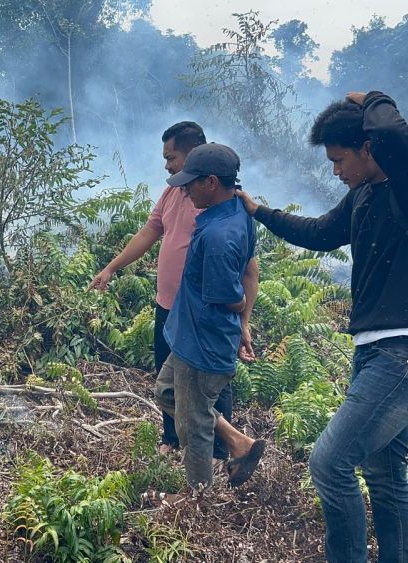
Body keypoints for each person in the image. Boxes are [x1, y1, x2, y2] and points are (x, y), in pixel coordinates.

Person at [235, 92, 408, 562]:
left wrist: (373, 97)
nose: (335, 170)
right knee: (385, 475)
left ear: (367, 148)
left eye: (339, 159)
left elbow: (394, 130)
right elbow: (317, 234)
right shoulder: (362, 197)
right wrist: (261, 212)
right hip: (379, 351)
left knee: (330, 463)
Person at [89, 122, 260, 464]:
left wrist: (244, 319)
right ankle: (175, 436)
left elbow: (248, 270)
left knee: (208, 385)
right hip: (170, 306)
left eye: (172, 157)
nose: (167, 165)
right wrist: (111, 267)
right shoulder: (174, 192)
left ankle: (217, 453)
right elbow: (150, 231)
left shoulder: (219, 206)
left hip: (205, 315)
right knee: (168, 381)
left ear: (195, 156)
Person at [145, 142, 266, 506]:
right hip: (188, 336)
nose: (184, 189)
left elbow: (229, 294)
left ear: (211, 182)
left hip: (202, 345)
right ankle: (238, 442)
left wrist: (240, 310)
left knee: (192, 426)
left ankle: (198, 499)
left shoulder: (218, 236)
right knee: (167, 393)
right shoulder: (235, 212)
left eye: (191, 183)